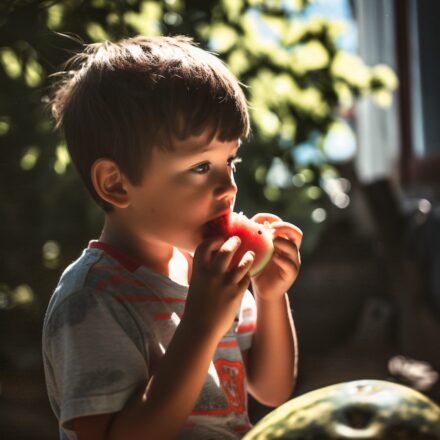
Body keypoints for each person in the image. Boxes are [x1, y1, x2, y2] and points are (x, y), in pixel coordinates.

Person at [42, 35, 302, 440]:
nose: (229, 187)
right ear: (117, 183)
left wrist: (269, 295)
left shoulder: (213, 272)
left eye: (229, 161)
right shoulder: (92, 298)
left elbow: (272, 390)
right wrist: (200, 325)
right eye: (201, 167)